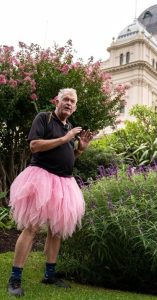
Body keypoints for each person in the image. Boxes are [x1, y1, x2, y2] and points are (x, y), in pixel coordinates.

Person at [7, 88, 94, 297]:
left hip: (64, 183)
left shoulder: (69, 126)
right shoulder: (44, 118)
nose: (69, 103)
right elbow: (35, 146)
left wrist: (80, 149)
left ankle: (50, 275)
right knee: (32, 227)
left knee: (56, 231)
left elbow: (68, 158)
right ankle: (15, 279)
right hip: (41, 179)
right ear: (57, 100)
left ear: (75, 107)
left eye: (73, 101)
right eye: (66, 99)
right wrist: (66, 139)